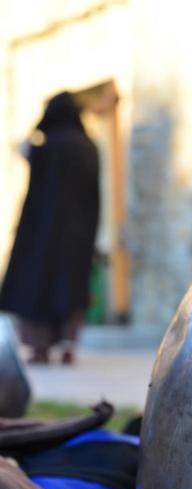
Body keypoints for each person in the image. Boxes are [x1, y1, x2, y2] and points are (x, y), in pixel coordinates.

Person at [0, 91, 100, 365]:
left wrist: (34, 133)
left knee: (37, 286)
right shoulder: (89, 147)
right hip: (78, 235)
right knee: (69, 287)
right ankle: (68, 345)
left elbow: (20, 149)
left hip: (42, 234)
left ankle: (40, 349)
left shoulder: (49, 146)